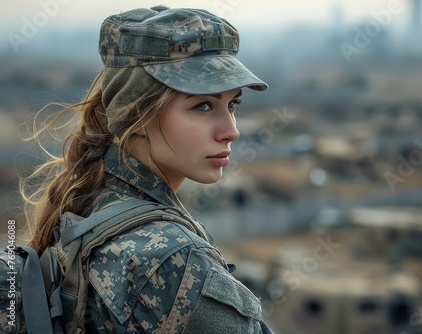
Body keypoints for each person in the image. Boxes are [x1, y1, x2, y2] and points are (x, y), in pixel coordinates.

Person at [21, 5, 273, 333]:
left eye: (233, 104)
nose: (231, 130)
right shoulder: (173, 260)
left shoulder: (90, 199)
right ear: (138, 114)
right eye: (203, 106)